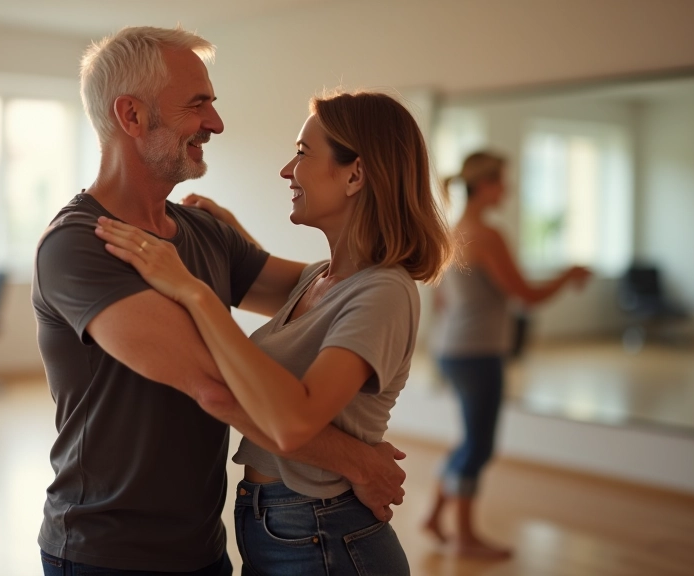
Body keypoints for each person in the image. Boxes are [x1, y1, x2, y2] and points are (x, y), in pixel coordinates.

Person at [32, 27, 409, 575]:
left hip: (204, 545)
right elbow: (219, 386)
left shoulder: (202, 233)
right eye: (198, 104)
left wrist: (390, 267)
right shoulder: (80, 245)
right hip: (107, 552)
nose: (216, 123)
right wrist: (355, 461)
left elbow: (326, 290)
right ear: (131, 116)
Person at [95, 90, 451, 575]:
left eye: (302, 154)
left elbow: (294, 420)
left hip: (325, 532)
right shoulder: (319, 279)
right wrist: (229, 236)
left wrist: (194, 291)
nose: (287, 170)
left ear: (355, 175)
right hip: (279, 524)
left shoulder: (384, 292)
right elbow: (281, 310)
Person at [422, 151, 592, 559]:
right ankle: (464, 537)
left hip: (452, 348)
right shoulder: (486, 235)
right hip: (477, 353)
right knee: (479, 446)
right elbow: (526, 295)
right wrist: (568, 275)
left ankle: (434, 517)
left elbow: (443, 300)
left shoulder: (453, 230)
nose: (509, 189)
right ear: (485, 186)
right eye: (503, 181)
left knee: (470, 440)